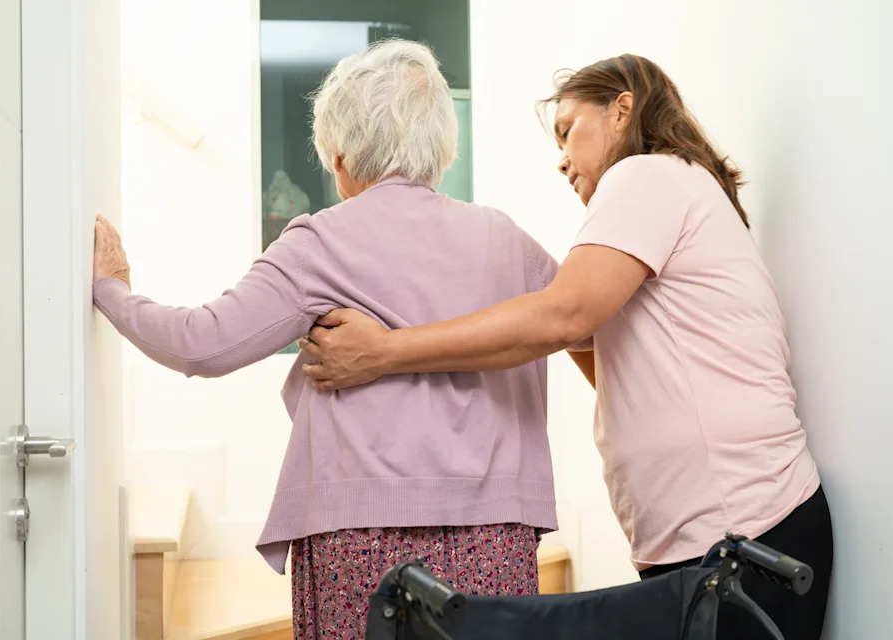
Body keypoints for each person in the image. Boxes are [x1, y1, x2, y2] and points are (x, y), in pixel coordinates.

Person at [299, 54, 833, 640]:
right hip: (711, 535)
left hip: (747, 530)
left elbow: (562, 315)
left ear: (622, 108)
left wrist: (386, 350)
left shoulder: (647, 175)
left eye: (567, 130)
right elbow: (581, 332)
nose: (561, 159)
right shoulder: (671, 189)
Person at [93, 40, 561, 640]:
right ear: (440, 145)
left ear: (340, 157)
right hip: (497, 530)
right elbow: (577, 322)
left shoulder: (321, 241)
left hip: (361, 534)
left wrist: (112, 290)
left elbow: (201, 344)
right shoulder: (506, 239)